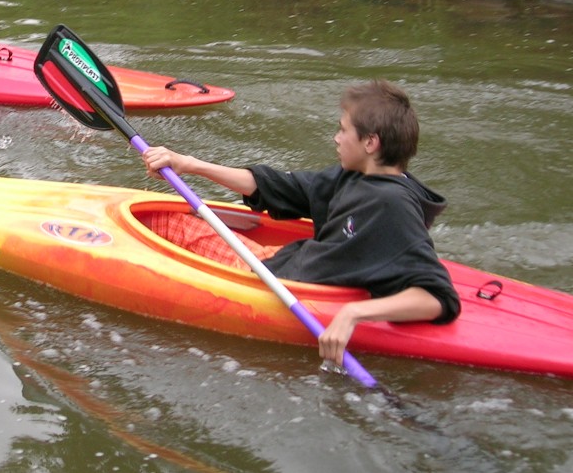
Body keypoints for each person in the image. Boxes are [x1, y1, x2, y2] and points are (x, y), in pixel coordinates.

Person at [141, 79, 460, 368]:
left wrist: (353, 313)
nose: (336, 138)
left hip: (279, 283)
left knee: (164, 222)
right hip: (289, 268)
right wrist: (189, 164)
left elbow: (437, 297)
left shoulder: (392, 204)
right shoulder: (357, 176)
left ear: (370, 143)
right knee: (169, 221)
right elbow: (278, 186)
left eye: (343, 130)